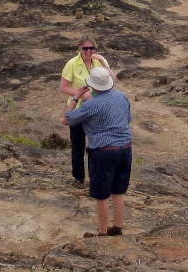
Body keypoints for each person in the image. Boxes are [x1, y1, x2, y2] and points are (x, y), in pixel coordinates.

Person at [63, 67, 132, 238]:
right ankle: (117, 228)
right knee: (118, 191)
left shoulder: (91, 105)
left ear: (92, 85)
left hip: (104, 151)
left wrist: (76, 97)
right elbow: (128, 119)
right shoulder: (121, 96)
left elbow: (67, 119)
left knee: (102, 194)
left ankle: (102, 234)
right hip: (125, 148)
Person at [60, 36, 115, 189]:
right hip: (78, 109)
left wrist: (104, 63)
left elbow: (112, 80)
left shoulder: (98, 61)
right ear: (80, 49)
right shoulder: (72, 64)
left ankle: (94, 176)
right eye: (85, 48)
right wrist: (80, 94)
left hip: (96, 110)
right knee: (78, 145)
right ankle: (78, 178)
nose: (89, 51)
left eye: (91, 48)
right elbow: (63, 87)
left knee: (95, 145)